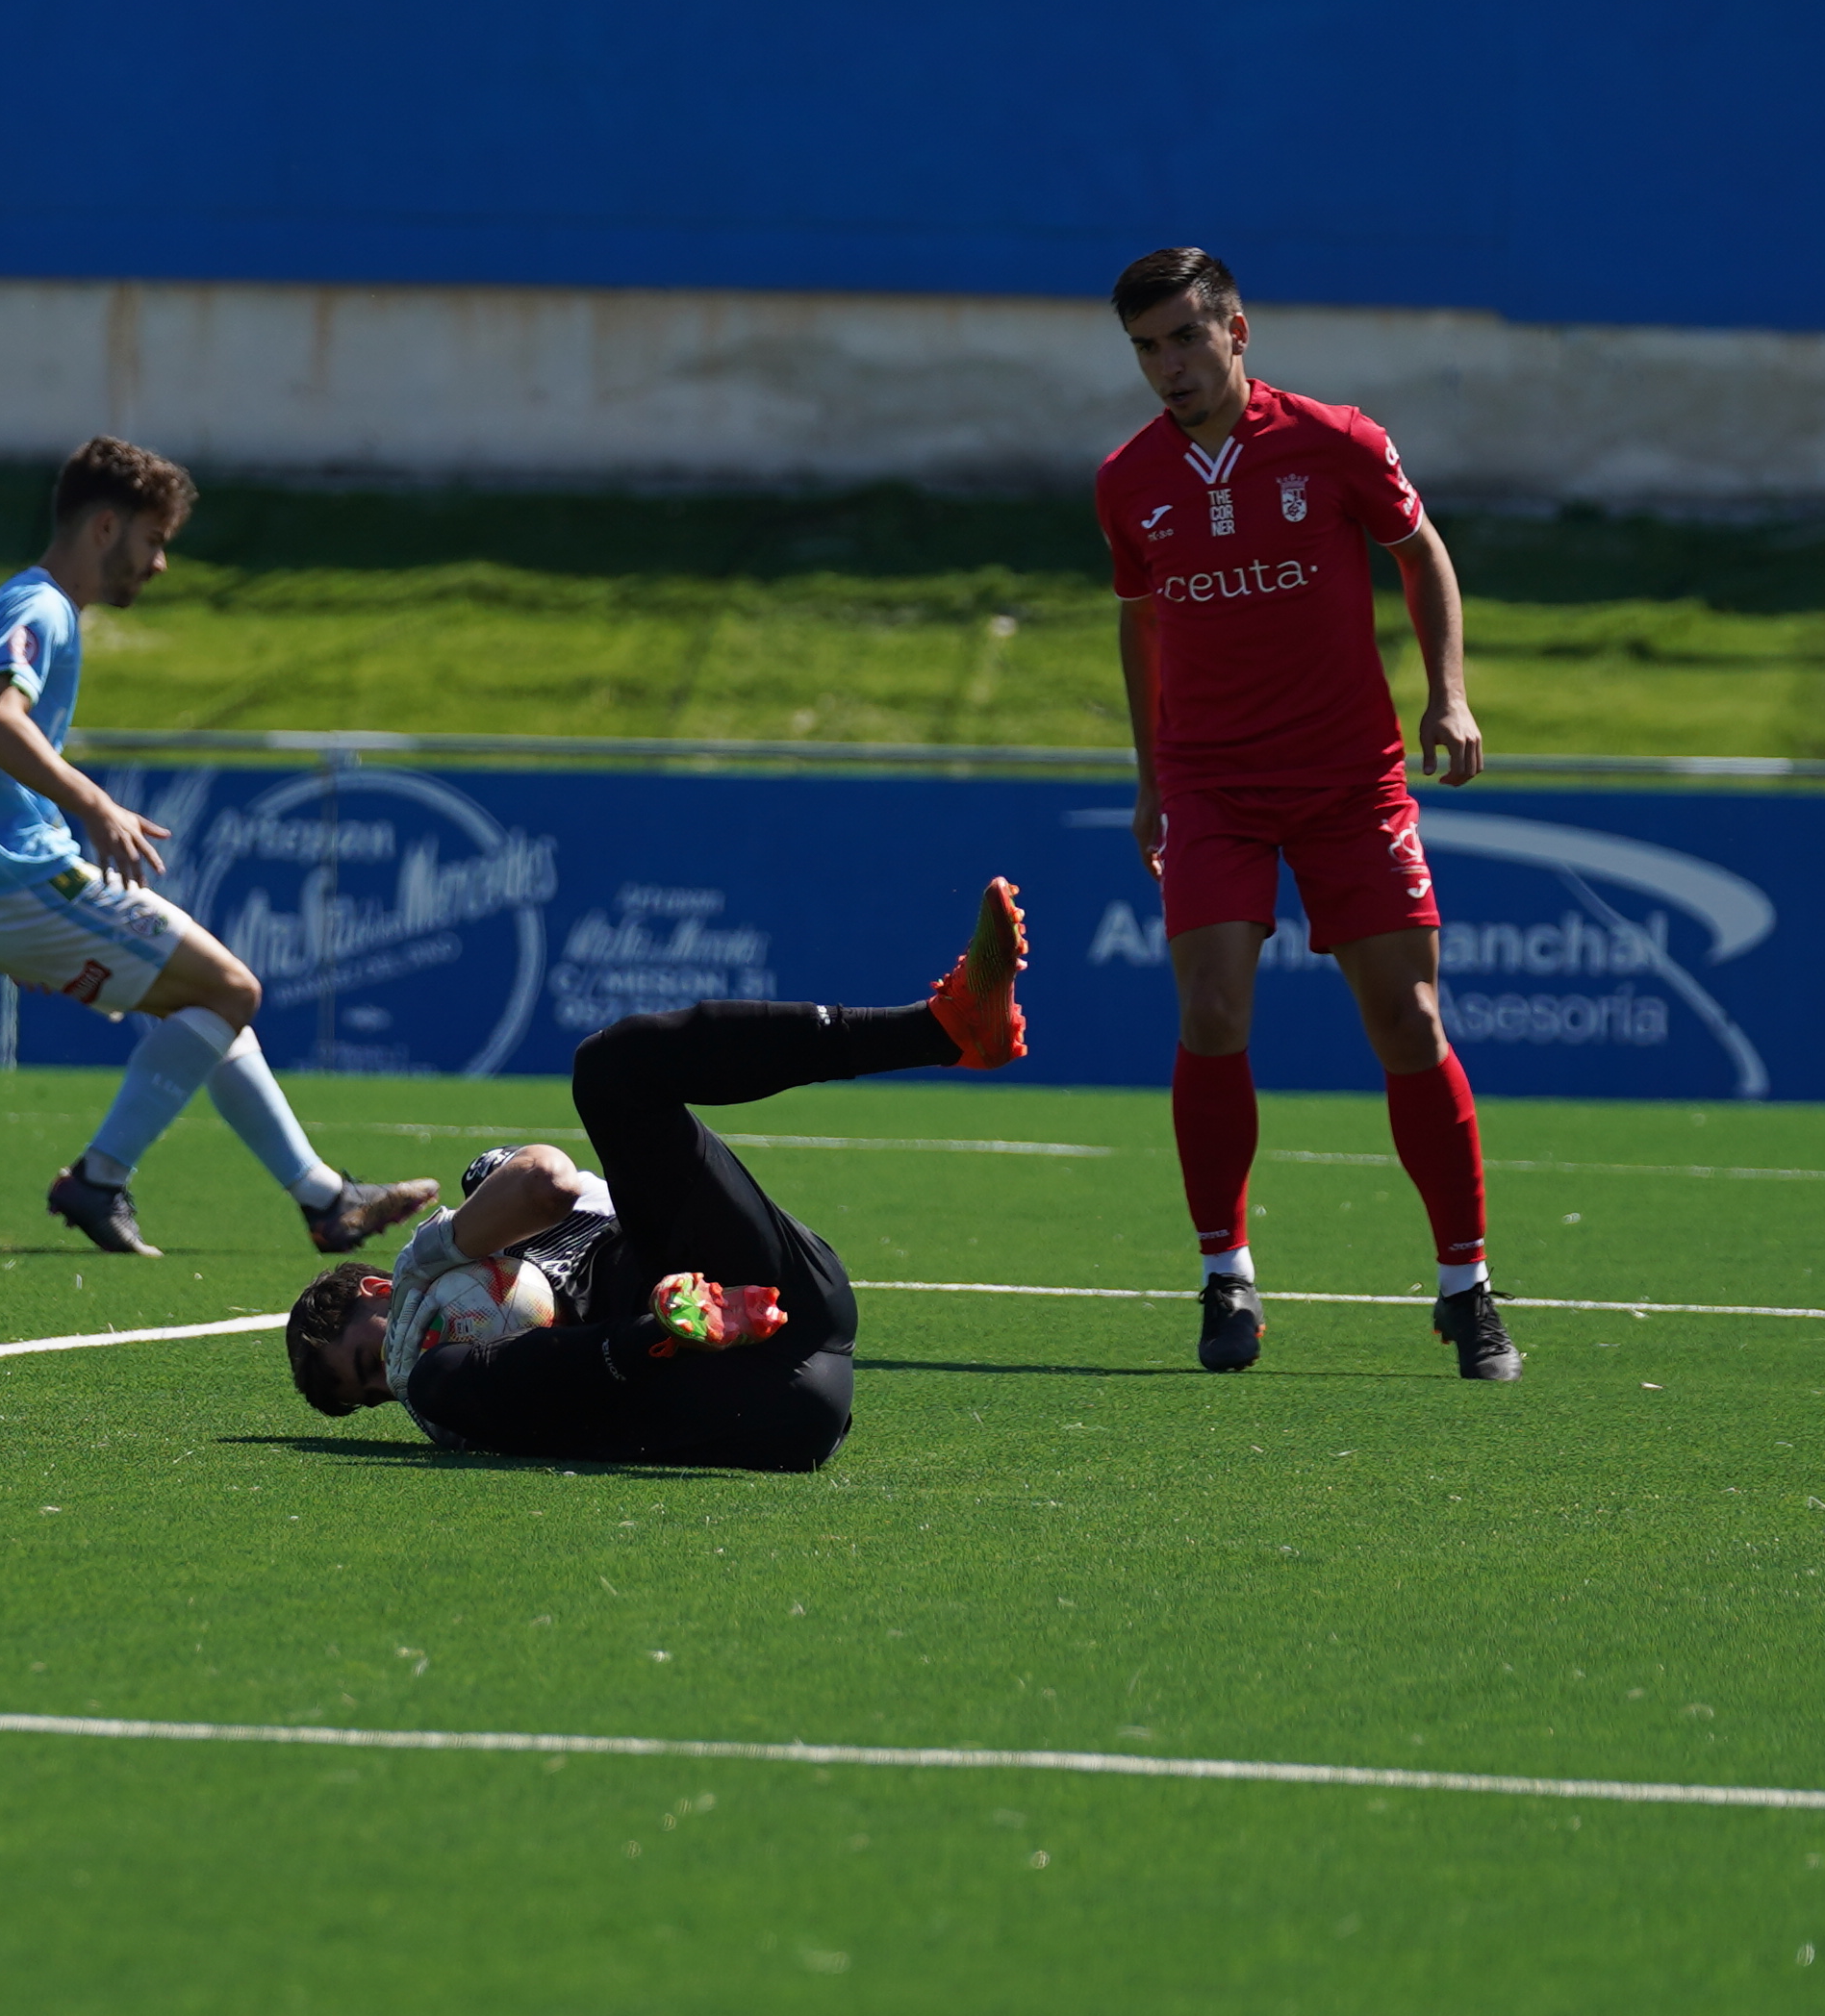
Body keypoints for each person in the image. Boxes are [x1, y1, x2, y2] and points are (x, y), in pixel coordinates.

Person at [1091, 243, 1515, 1382]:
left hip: (1349, 780)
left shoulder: (1335, 440)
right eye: (1146, 348)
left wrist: (1451, 696)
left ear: (1237, 330)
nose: (1168, 366)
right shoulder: (1127, 480)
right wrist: (1150, 779)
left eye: (1185, 337)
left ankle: (1465, 1288)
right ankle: (1226, 1271)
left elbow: (1419, 551)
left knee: (1409, 1020)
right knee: (1214, 1010)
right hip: (1213, 785)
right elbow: (1143, 626)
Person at [282, 881, 1027, 1471]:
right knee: (450, 1384)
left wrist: (432, 1252)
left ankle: (944, 1027)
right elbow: (500, 1387)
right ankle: (665, 1329)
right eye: (376, 1395)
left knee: (610, 1070)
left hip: (790, 1296)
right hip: (757, 1404)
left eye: (370, 1359)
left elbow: (548, 1179)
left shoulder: (474, 1228)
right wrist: (653, 1334)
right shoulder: (444, 1390)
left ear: (380, 1291)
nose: (395, 1377)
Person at [0, 435, 441, 1261]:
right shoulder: (43, 609)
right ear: (105, 527)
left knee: (210, 1004)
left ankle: (324, 1199)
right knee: (234, 987)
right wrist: (94, 806)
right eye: (153, 540)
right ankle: (101, 1176)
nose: (160, 564)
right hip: (20, 877)